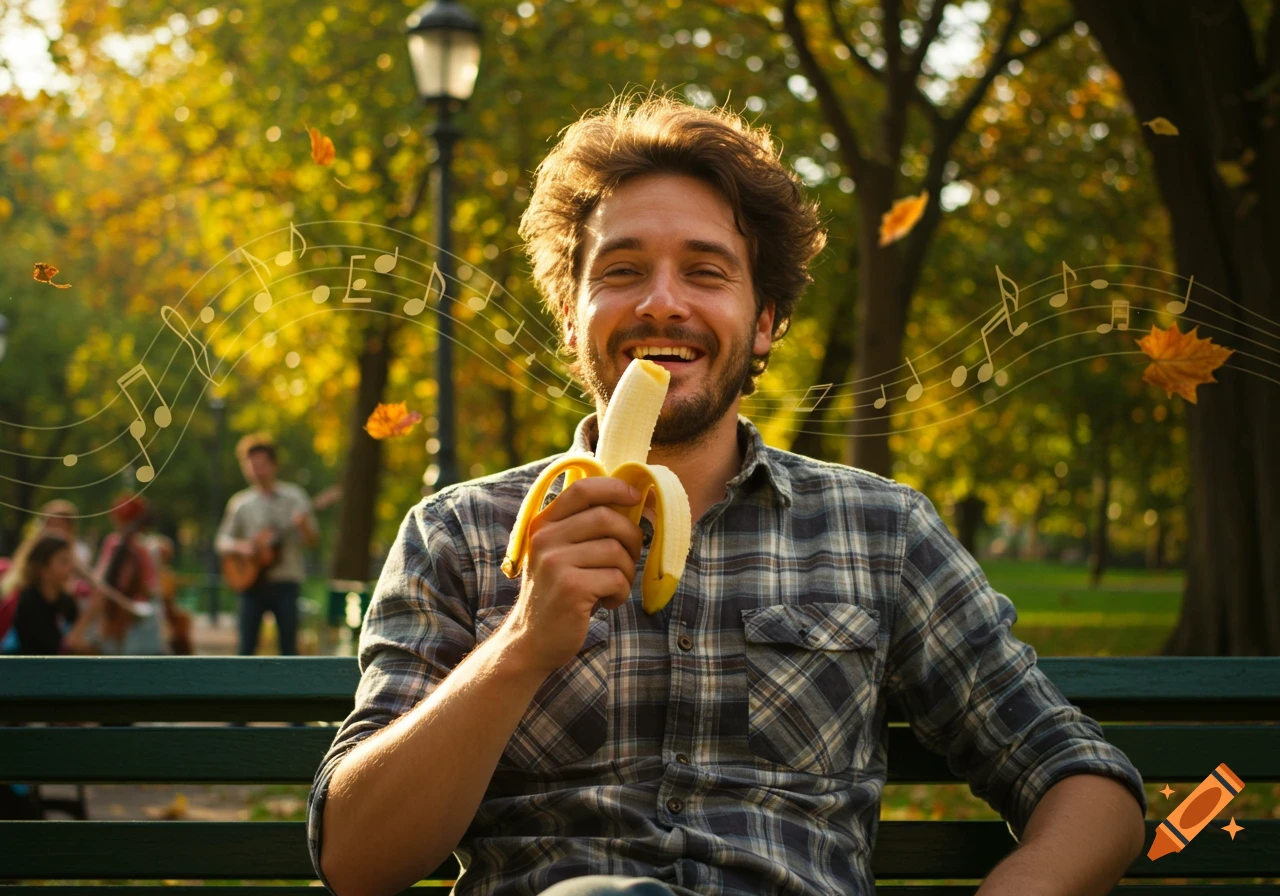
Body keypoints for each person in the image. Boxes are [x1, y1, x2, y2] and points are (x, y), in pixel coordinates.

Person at [307, 95, 1147, 896]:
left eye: (706, 272)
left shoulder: (879, 533)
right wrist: (521, 645)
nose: (662, 302)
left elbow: (1086, 786)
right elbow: (356, 861)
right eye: (623, 269)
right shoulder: (459, 533)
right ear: (570, 314)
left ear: (767, 320)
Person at [216, 432, 319, 656]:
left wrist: (303, 526)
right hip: (251, 583)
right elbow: (222, 541)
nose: (256, 471)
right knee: (245, 647)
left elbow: (312, 541)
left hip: (286, 581)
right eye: (251, 466)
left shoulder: (295, 497)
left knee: (289, 648)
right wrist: (242, 547)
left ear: (274, 465)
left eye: (261, 465)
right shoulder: (240, 503)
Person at [4, 533, 102, 655]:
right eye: (63, 562)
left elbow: (81, 644)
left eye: (70, 561)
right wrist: (90, 614)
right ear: (43, 568)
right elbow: (62, 649)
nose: (70, 568)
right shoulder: (29, 602)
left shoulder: (65, 600)